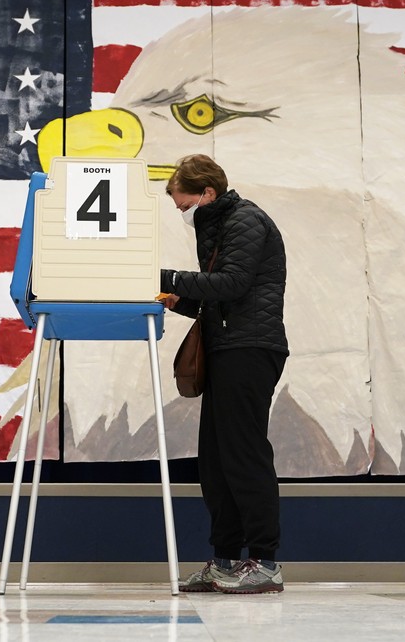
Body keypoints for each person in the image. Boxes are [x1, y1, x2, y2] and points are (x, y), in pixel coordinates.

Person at [158, 154, 289, 594]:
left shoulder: (246, 220)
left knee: (245, 455)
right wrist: (183, 301)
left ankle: (265, 562)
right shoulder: (220, 227)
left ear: (207, 194)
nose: (183, 214)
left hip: (251, 350)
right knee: (215, 463)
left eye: (183, 205)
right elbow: (227, 298)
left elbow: (232, 283)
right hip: (228, 347)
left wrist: (168, 277)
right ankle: (225, 561)